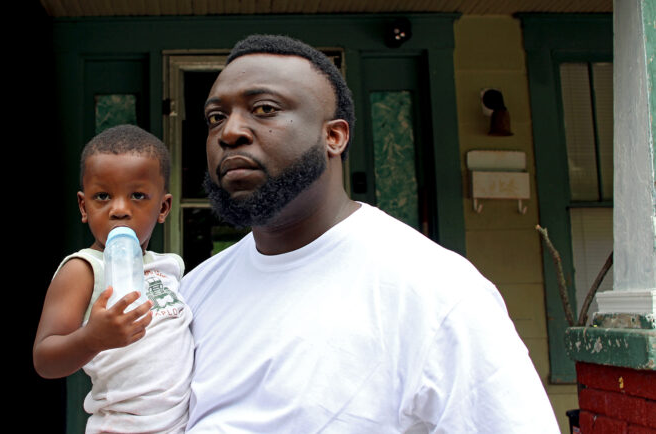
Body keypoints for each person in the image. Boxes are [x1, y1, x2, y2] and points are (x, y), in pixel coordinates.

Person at [180, 34, 560, 433]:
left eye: (264, 109)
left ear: (335, 136)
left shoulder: (437, 292)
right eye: (215, 118)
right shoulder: (196, 291)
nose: (230, 132)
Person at [33, 125, 193, 434]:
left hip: (183, 424)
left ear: (163, 207)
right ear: (84, 206)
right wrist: (92, 338)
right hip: (121, 426)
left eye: (137, 196)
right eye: (103, 196)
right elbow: (45, 359)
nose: (119, 209)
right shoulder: (83, 269)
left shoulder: (169, 267)